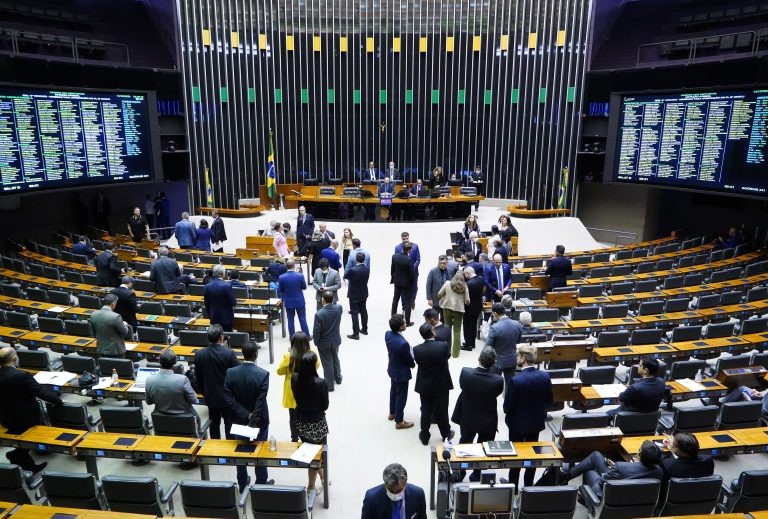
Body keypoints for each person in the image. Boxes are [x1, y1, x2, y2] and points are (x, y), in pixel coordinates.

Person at [0, 346, 62, 472]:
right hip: (26, 418)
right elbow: (40, 391)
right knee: (41, 424)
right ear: (14, 358)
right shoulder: (20, 375)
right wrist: (57, 400)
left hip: (5, 417)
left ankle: (22, 459)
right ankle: (19, 455)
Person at [224, 341, 272, 491]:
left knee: (240, 453)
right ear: (256, 354)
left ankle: (242, 483)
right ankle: (261, 485)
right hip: (259, 421)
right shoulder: (263, 374)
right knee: (260, 452)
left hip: (238, 419)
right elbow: (260, 400)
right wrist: (253, 416)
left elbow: (228, 397)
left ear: (242, 354)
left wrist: (245, 414)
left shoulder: (231, 372)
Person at [503, 344, 552, 489]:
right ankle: (529, 486)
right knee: (532, 456)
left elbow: (507, 407)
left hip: (516, 425)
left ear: (523, 359)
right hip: (535, 423)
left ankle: (513, 486)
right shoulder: (545, 376)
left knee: (516, 456)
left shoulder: (516, 380)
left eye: (518, 356)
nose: (517, 358)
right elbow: (549, 400)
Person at [451, 346, 504, 481]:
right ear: (494, 363)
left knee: (464, 443)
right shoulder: (497, 380)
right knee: (485, 447)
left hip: (467, 416)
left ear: (478, 358)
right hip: (487, 419)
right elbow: (497, 393)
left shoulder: (466, 373)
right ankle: (476, 475)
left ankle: (460, 472)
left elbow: (463, 387)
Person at [560, 440, 663, 500]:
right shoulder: (659, 472)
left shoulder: (620, 467)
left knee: (589, 470)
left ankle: (585, 499)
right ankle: (566, 477)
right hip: (633, 497)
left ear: (640, 453)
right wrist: (624, 467)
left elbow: (602, 482)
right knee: (596, 456)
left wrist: (614, 469)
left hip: (610, 495)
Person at [292, 351, 329, 493]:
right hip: (317, 423)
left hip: (301, 421)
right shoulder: (320, 383)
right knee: (316, 455)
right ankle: (311, 486)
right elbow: (325, 405)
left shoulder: (295, 378)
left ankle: (323, 477)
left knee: (311, 450)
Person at [194, 324, 240, 439]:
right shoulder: (229, 353)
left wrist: (204, 392)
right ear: (221, 337)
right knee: (230, 424)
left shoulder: (200, 354)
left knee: (214, 425)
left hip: (211, 395)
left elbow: (198, 377)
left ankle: (215, 450)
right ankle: (230, 450)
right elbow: (237, 375)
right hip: (228, 397)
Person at [413, 323, 454, 445]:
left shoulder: (417, 349)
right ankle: (445, 434)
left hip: (425, 384)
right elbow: (447, 356)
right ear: (433, 332)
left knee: (425, 410)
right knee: (442, 410)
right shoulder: (443, 346)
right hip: (441, 384)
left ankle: (424, 435)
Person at [277, 332, 316, 441]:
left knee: (293, 416)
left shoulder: (288, 355)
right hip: (307, 388)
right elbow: (317, 366)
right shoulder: (311, 354)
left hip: (292, 390)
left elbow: (279, 372)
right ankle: (306, 437)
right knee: (306, 414)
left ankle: (294, 438)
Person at [361, 463, 427, 519]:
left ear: (405, 484)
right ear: (385, 483)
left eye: (399, 490)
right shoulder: (371, 498)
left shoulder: (418, 494)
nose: (395, 494)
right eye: (391, 490)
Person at [146, 348, 198, 417]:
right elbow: (194, 400)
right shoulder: (183, 380)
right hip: (183, 418)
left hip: (160, 418)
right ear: (175, 362)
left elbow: (148, 402)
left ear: (160, 362)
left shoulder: (149, 379)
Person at [385, 314, 415, 429]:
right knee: (401, 395)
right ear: (401, 327)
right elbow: (409, 360)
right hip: (402, 372)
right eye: (404, 322)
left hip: (392, 368)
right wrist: (413, 364)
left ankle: (392, 413)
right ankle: (399, 421)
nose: (406, 323)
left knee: (393, 390)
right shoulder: (403, 344)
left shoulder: (388, 334)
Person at [486, 302, 524, 386]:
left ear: (495, 313)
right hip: (512, 360)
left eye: (492, 314)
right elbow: (518, 341)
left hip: (497, 362)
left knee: (494, 386)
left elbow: (488, 347)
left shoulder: (494, 328)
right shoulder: (517, 324)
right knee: (510, 386)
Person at [313, 290, 343, 391]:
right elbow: (338, 307)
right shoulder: (338, 308)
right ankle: (338, 378)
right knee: (335, 358)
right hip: (335, 340)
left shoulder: (319, 314)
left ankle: (330, 385)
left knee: (327, 363)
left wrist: (316, 342)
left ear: (323, 300)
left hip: (324, 342)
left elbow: (317, 331)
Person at [438, 271, 470, 358]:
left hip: (447, 308)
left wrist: (444, 297)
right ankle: (455, 353)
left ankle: (447, 350)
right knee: (457, 331)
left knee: (447, 329)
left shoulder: (447, 283)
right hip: (459, 311)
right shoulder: (465, 286)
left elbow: (439, 294)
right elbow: (467, 301)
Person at [90, 293, 130, 358]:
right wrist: (124, 325)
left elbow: (93, 334)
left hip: (101, 348)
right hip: (116, 351)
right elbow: (125, 332)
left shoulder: (93, 314)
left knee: (105, 366)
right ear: (113, 303)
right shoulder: (116, 316)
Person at [278, 259, 310, 337]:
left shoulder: (281, 277)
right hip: (299, 300)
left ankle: (292, 338)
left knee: (290, 319)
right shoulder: (300, 276)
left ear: (286, 266)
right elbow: (304, 287)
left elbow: (281, 290)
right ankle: (307, 336)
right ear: (294, 265)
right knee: (302, 318)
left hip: (288, 301)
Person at [204, 264, 237, 332]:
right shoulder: (227, 286)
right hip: (226, 319)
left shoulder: (207, 286)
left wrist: (211, 315)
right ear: (223, 274)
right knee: (226, 338)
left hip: (213, 318)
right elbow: (233, 303)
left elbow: (207, 304)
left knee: (215, 337)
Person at [344, 251, 370, 339]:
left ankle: (356, 333)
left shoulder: (353, 270)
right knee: (363, 311)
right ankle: (365, 329)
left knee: (354, 313)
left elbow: (346, 276)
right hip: (363, 292)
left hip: (354, 293)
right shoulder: (367, 268)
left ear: (356, 259)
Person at [390, 242, 414, 326]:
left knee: (395, 299)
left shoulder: (394, 256)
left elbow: (392, 269)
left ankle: (393, 317)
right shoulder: (409, 260)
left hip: (397, 281)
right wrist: (411, 283)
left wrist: (394, 278)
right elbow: (412, 274)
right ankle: (407, 321)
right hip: (406, 283)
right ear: (409, 250)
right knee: (407, 302)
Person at [394, 232, 421, 306]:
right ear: (401, 239)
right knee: (403, 289)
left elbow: (418, 259)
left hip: (414, 272)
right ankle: (404, 305)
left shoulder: (415, 246)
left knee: (414, 288)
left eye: (407, 238)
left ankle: (412, 300)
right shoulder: (397, 248)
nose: (405, 240)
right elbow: (396, 260)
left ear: (409, 238)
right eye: (404, 239)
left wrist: (412, 268)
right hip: (403, 273)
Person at [462, 266, 484, 350]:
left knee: (467, 326)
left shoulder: (468, 284)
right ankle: (473, 343)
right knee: (474, 325)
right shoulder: (481, 279)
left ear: (468, 273)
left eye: (465, 274)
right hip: (478, 307)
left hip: (469, 308)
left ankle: (468, 344)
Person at [426, 255, 450, 320]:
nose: (442, 265)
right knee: (434, 319)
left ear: (447, 263)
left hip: (446, 301)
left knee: (444, 320)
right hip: (435, 300)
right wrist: (429, 298)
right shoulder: (433, 271)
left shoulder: (450, 271)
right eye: (440, 263)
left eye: (444, 263)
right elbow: (428, 285)